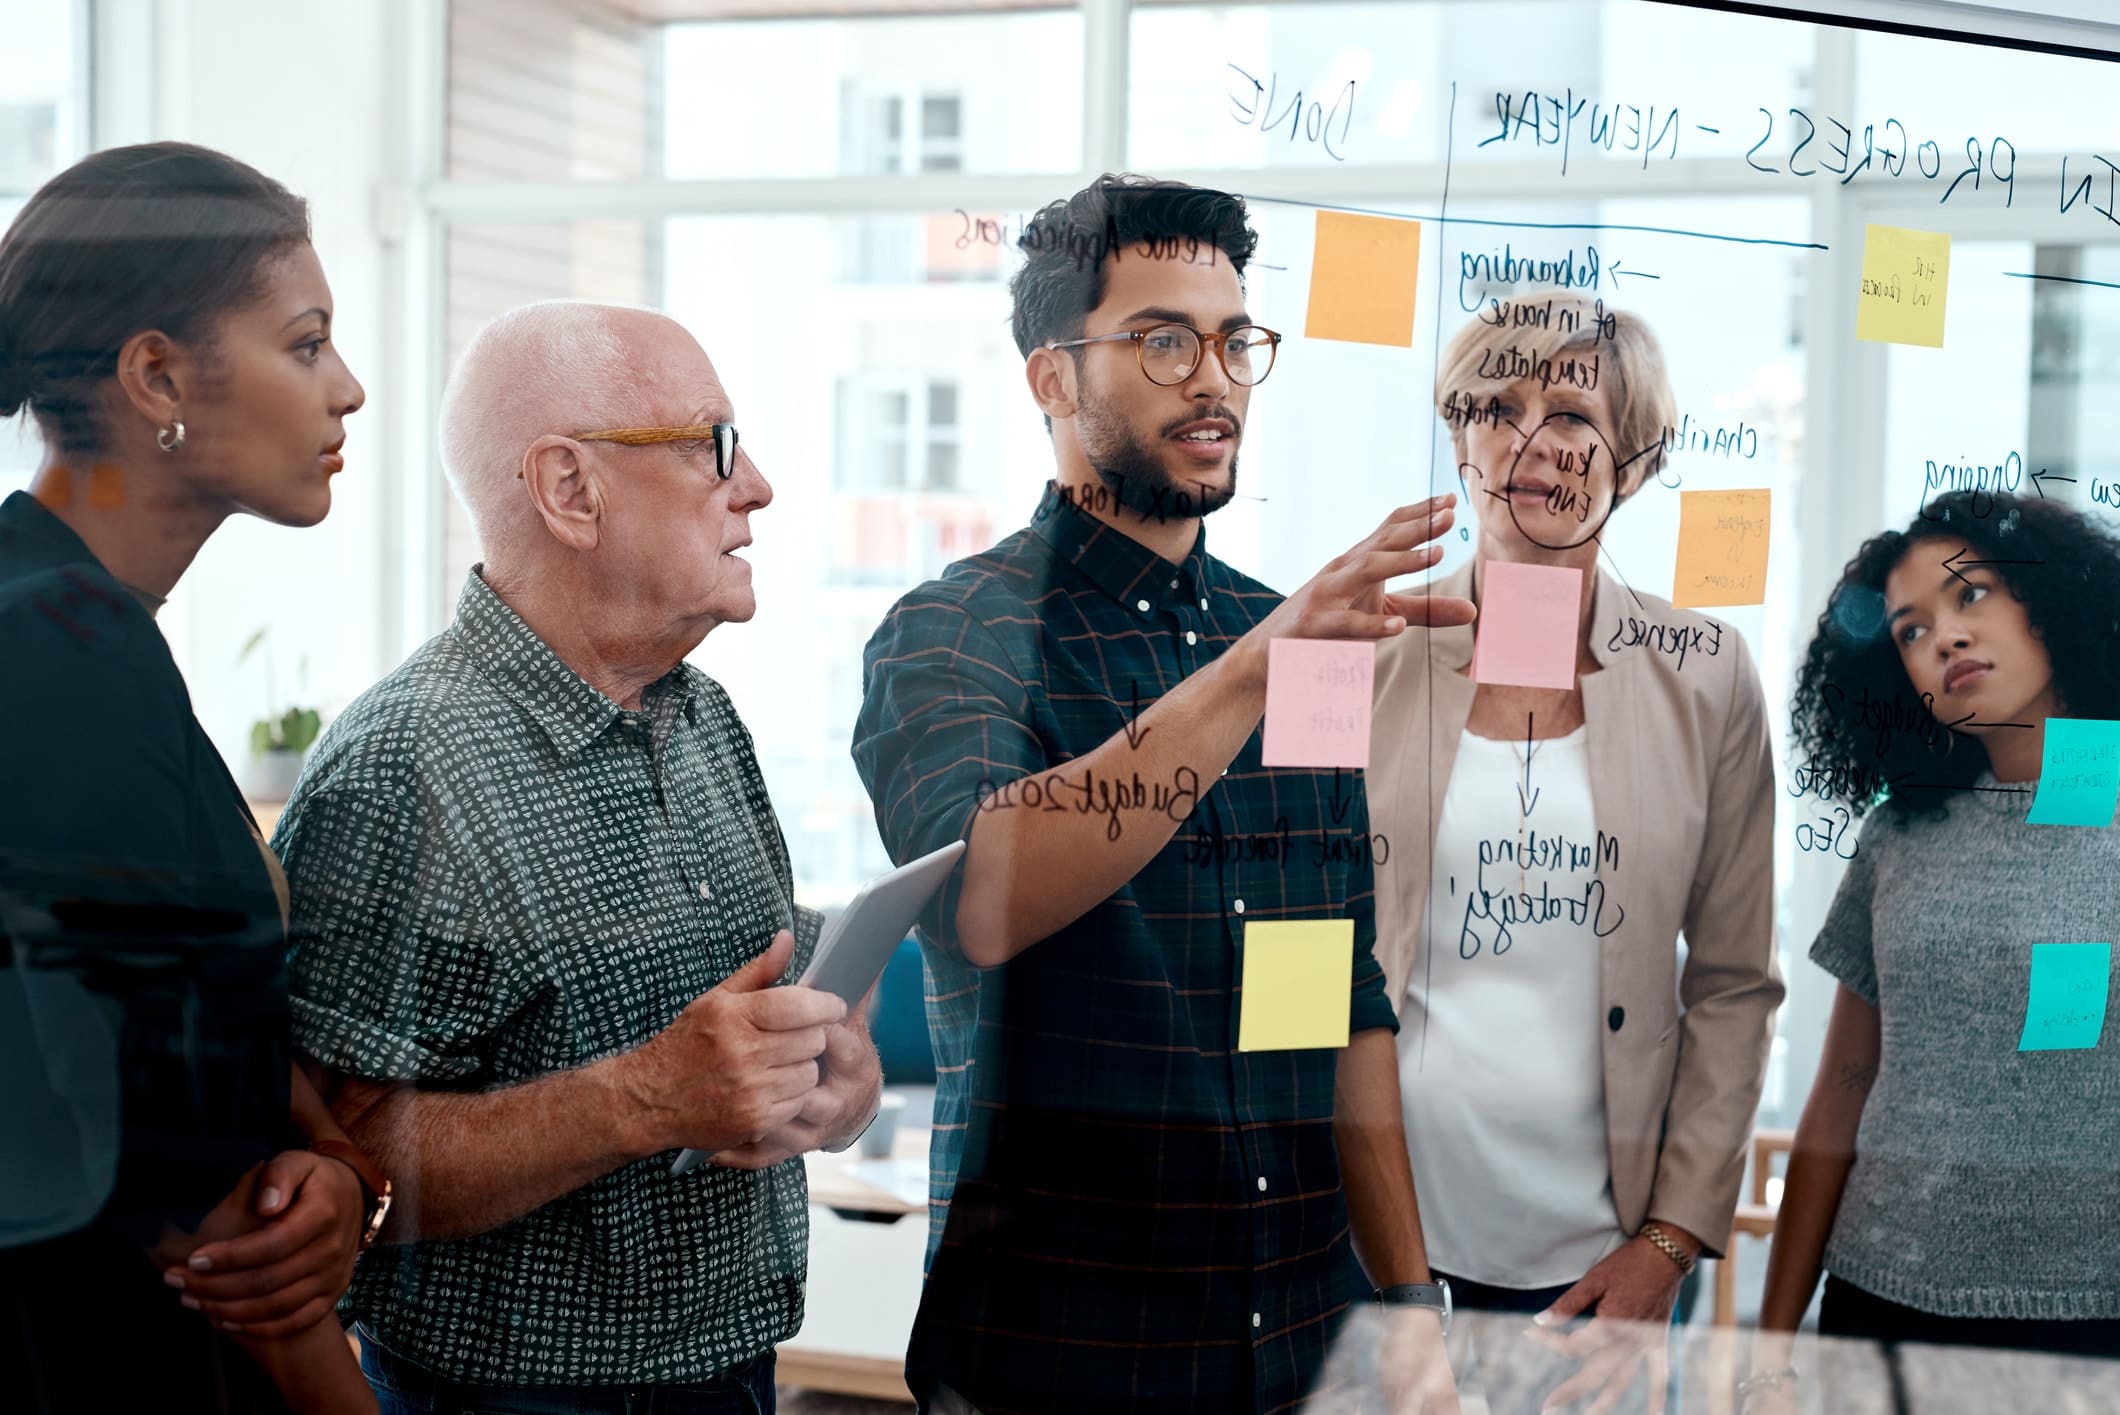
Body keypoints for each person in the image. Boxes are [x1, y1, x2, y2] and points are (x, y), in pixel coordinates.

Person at [852, 174, 1468, 1415]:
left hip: (1295, 1343)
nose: (1215, 379)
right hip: (1058, 1354)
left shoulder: (1284, 634)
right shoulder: (952, 630)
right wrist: (1252, 671)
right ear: (1050, 377)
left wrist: (1408, 1312)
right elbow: (988, 897)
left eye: (1235, 340)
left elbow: (1327, 988)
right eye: (1163, 339)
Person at [275, 300, 882, 1414]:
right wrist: (645, 1098)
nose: (756, 486)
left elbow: (749, 1054)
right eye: (714, 445)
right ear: (568, 491)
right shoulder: (401, 767)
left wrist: (828, 1087)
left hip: (737, 1370)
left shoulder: (705, 719)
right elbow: (340, 1157)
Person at [0, 142, 381, 1413]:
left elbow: (169, 1006)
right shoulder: (61, 651)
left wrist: (332, 1163)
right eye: (307, 344)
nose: (350, 390)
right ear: (157, 372)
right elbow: (200, 1210)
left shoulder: (65, 617)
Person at [1366, 295, 1782, 1412]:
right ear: (1458, 436)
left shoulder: (1707, 672)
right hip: (1371, 1241)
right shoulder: (1358, 650)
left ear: (1634, 463)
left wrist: (1668, 1240)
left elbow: (1735, 981)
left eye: (1571, 413)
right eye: (1495, 406)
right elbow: (1293, 946)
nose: (1531, 440)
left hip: (1606, 1260)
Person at [1745, 491, 2120, 1411]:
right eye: (1911, 631)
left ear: (2048, 598)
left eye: (1971, 596)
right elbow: (1840, 1088)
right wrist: (1770, 1347)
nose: (1944, 639)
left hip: (2085, 1325)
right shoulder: (1899, 837)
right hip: (1880, 1301)